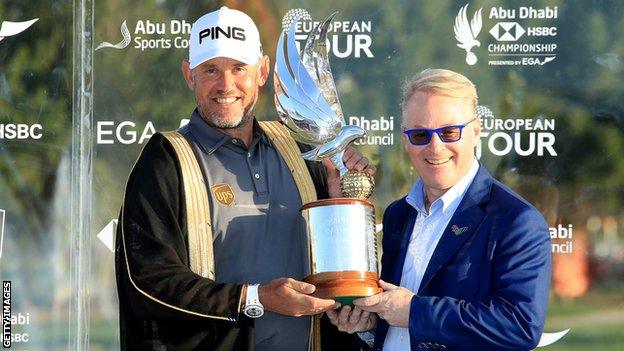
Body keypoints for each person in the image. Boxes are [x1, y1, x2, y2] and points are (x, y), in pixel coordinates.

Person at [114, 7, 372, 350]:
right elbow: (148, 283)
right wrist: (256, 297)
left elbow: (338, 274)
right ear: (189, 75)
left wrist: (340, 203)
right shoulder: (165, 160)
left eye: (239, 69)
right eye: (210, 70)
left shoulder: (300, 150)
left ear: (262, 71)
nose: (226, 85)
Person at [327, 68, 552, 351]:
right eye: (420, 135)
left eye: (449, 132)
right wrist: (371, 325)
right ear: (405, 139)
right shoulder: (399, 215)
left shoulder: (516, 220)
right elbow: (400, 320)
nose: (435, 147)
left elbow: (520, 326)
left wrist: (415, 312)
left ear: (476, 131)